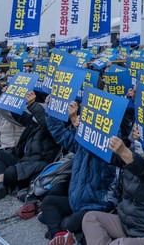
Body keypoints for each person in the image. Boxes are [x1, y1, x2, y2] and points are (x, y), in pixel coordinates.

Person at [44, 101, 119, 243]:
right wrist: (52, 109)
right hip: (76, 202)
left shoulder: (109, 153)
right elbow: (60, 135)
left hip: (96, 206)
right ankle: (58, 235)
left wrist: (80, 129)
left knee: (70, 222)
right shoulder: (81, 143)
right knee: (49, 202)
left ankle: (65, 230)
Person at [82, 135, 144, 245]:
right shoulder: (133, 149)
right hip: (127, 224)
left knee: (120, 243)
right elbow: (109, 155)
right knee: (90, 218)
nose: (136, 128)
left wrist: (124, 152)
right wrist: (86, 134)